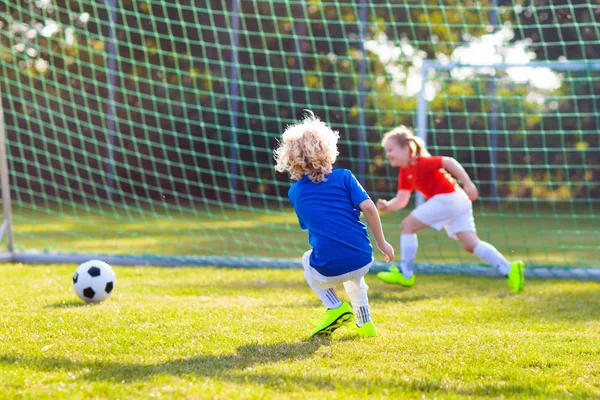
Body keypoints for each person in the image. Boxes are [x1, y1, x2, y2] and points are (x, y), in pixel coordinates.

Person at [274, 111, 395, 338]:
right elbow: (368, 207)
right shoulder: (345, 177)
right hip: (363, 258)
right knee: (354, 277)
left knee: (306, 258)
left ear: (290, 158)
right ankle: (366, 324)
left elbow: (308, 224)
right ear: (328, 150)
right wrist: (382, 242)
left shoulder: (295, 192)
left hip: (329, 266)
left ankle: (334, 307)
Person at [376, 125, 524, 293]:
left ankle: (406, 274)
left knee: (407, 226)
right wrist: (387, 206)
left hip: (449, 199)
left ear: (405, 148)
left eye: (390, 150)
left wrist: (468, 183)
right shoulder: (405, 172)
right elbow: (402, 200)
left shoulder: (421, 162)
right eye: (386, 151)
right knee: (471, 244)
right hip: (458, 201)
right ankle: (510, 269)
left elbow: (449, 161)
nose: (387, 155)